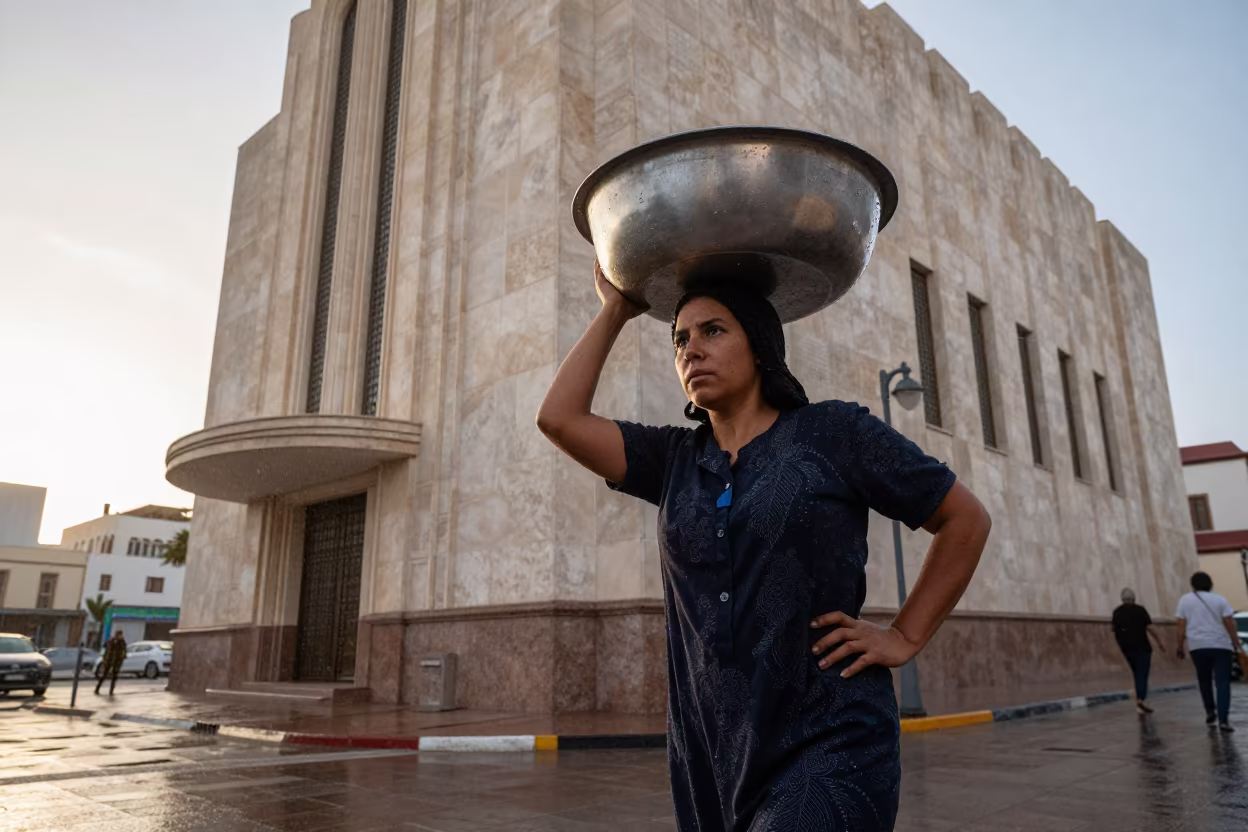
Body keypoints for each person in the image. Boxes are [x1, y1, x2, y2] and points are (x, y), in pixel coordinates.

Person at [536, 265, 992, 832]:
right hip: (715, 755)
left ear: (760, 344)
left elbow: (964, 518)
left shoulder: (834, 433)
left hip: (832, 739)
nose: (691, 351)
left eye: (713, 331)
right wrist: (616, 310)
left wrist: (905, 634)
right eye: (680, 339)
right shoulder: (675, 461)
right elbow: (558, 419)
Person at [1174, 571, 1245, 732]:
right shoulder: (1220, 600)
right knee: (1223, 682)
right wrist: (1236, 643)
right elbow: (1229, 622)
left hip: (1197, 646)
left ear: (1193, 584)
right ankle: (1224, 720)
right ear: (1210, 584)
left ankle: (1210, 712)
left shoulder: (1185, 600)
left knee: (1204, 680)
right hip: (1221, 645)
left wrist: (1179, 645)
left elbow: (1180, 624)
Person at [1111, 588, 1165, 714]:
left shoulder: (1117, 612)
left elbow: (1114, 630)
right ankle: (1140, 699)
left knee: (1137, 673)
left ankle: (1141, 700)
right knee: (1142, 673)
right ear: (1134, 599)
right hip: (1143, 647)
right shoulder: (1140, 610)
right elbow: (1150, 628)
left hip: (1126, 648)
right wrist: (1160, 642)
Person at [94, 631, 126, 696]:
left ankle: (111, 691)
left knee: (114, 677)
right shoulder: (110, 641)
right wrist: (104, 658)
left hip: (117, 662)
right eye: (119, 635)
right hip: (109, 661)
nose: (121, 636)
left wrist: (122, 657)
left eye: (121, 635)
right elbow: (105, 649)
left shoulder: (122, 642)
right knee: (104, 675)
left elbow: (124, 651)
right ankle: (97, 689)